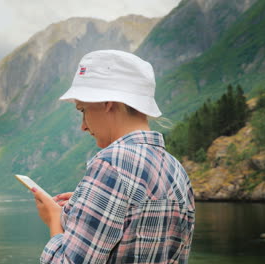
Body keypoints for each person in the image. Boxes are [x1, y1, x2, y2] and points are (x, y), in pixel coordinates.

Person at [32, 50, 195, 264]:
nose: (83, 125)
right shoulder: (176, 169)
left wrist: (54, 220)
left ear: (107, 102)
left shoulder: (111, 164)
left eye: (83, 110)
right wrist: (87, 205)